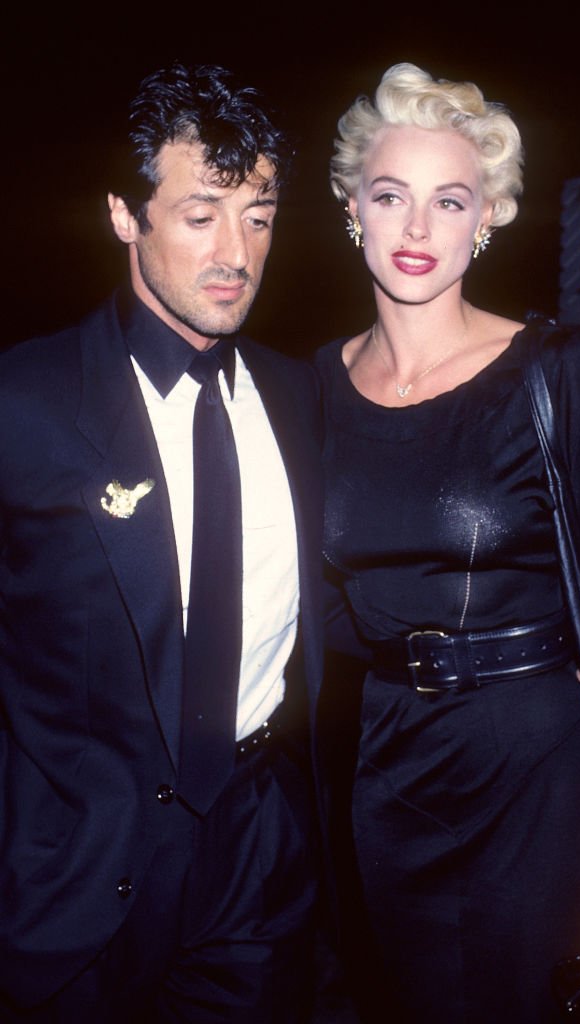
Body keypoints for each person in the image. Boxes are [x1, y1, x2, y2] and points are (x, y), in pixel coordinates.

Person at [316, 63, 580, 1023]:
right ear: (354, 209)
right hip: (390, 765)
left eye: (449, 201)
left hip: (533, 771)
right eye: (391, 197)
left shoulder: (554, 372)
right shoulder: (313, 386)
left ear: (488, 218)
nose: (417, 229)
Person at [0, 62, 323, 1023]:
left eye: (258, 215)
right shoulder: (26, 403)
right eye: (200, 214)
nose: (237, 251)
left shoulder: (299, 398)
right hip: (74, 880)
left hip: (259, 862)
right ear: (123, 215)